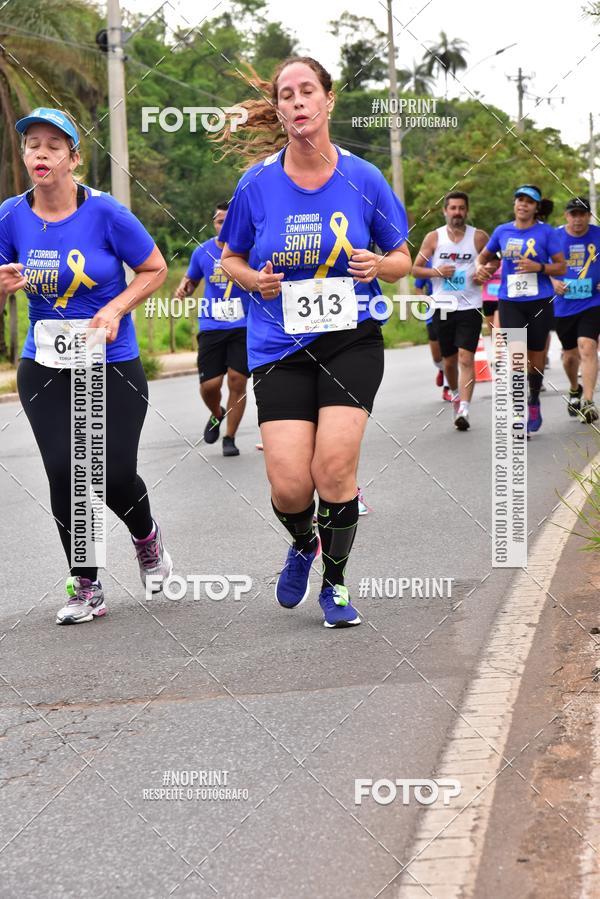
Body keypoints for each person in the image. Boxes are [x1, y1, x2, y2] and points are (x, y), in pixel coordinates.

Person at [216, 56, 411, 627]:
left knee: (333, 469)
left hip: (350, 340)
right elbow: (229, 256)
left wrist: (380, 264)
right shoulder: (256, 183)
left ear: (328, 101)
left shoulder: (364, 178)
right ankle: (304, 542)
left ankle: (336, 584)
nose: (298, 101)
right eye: (286, 94)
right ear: (278, 109)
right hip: (279, 346)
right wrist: (254, 278)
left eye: (308, 91)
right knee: (290, 484)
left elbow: (403, 256)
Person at [0, 107, 172, 624]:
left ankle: (146, 536)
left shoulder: (106, 212)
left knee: (113, 470)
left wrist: (115, 308)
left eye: (55, 145)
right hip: (45, 363)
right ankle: (87, 583)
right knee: (65, 472)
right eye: (33, 145)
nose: (42, 153)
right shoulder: (11, 215)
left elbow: (154, 267)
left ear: (74, 158)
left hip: (111, 361)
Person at [476, 185, 566, 434]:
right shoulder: (502, 231)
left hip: (540, 300)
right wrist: (481, 268)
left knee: (535, 357)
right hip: (510, 301)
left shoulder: (546, 233)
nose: (523, 204)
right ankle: (517, 414)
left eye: (529, 201)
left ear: (537, 207)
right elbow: (483, 257)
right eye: (519, 200)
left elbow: (561, 267)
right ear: (514, 204)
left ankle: (534, 399)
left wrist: (538, 267)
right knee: (516, 357)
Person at [175, 202, 250, 456]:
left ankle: (230, 437)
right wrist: (184, 288)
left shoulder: (250, 250)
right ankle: (217, 413)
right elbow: (191, 280)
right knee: (210, 385)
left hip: (243, 324)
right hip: (211, 325)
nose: (224, 226)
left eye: (230, 222)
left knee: (237, 380)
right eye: (220, 222)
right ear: (214, 224)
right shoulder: (202, 252)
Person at [412, 191, 488, 431]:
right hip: (442, 306)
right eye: (453, 208)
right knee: (450, 361)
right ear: (445, 211)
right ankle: (455, 393)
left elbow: (494, 261)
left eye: (461, 208)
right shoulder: (434, 238)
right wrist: (436, 273)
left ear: (467, 211)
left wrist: (484, 270)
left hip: (470, 305)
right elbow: (415, 269)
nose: (457, 212)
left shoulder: (479, 237)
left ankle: (464, 407)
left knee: (467, 358)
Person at [551, 197, 600, 423]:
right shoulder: (555, 236)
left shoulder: (598, 234)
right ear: (566, 216)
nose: (578, 219)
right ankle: (574, 388)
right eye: (574, 214)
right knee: (570, 356)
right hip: (564, 304)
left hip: (593, 301)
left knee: (587, 346)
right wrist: (552, 281)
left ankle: (588, 401)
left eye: (582, 214)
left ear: (589, 216)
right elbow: (541, 264)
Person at [415, 257, 451, 402]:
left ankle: (448, 388)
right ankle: (442, 368)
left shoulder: (458, 258)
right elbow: (418, 288)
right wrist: (425, 299)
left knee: (451, 352)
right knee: (437, 356)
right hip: (433, 312)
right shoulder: (428, 262)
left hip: (454, 309)